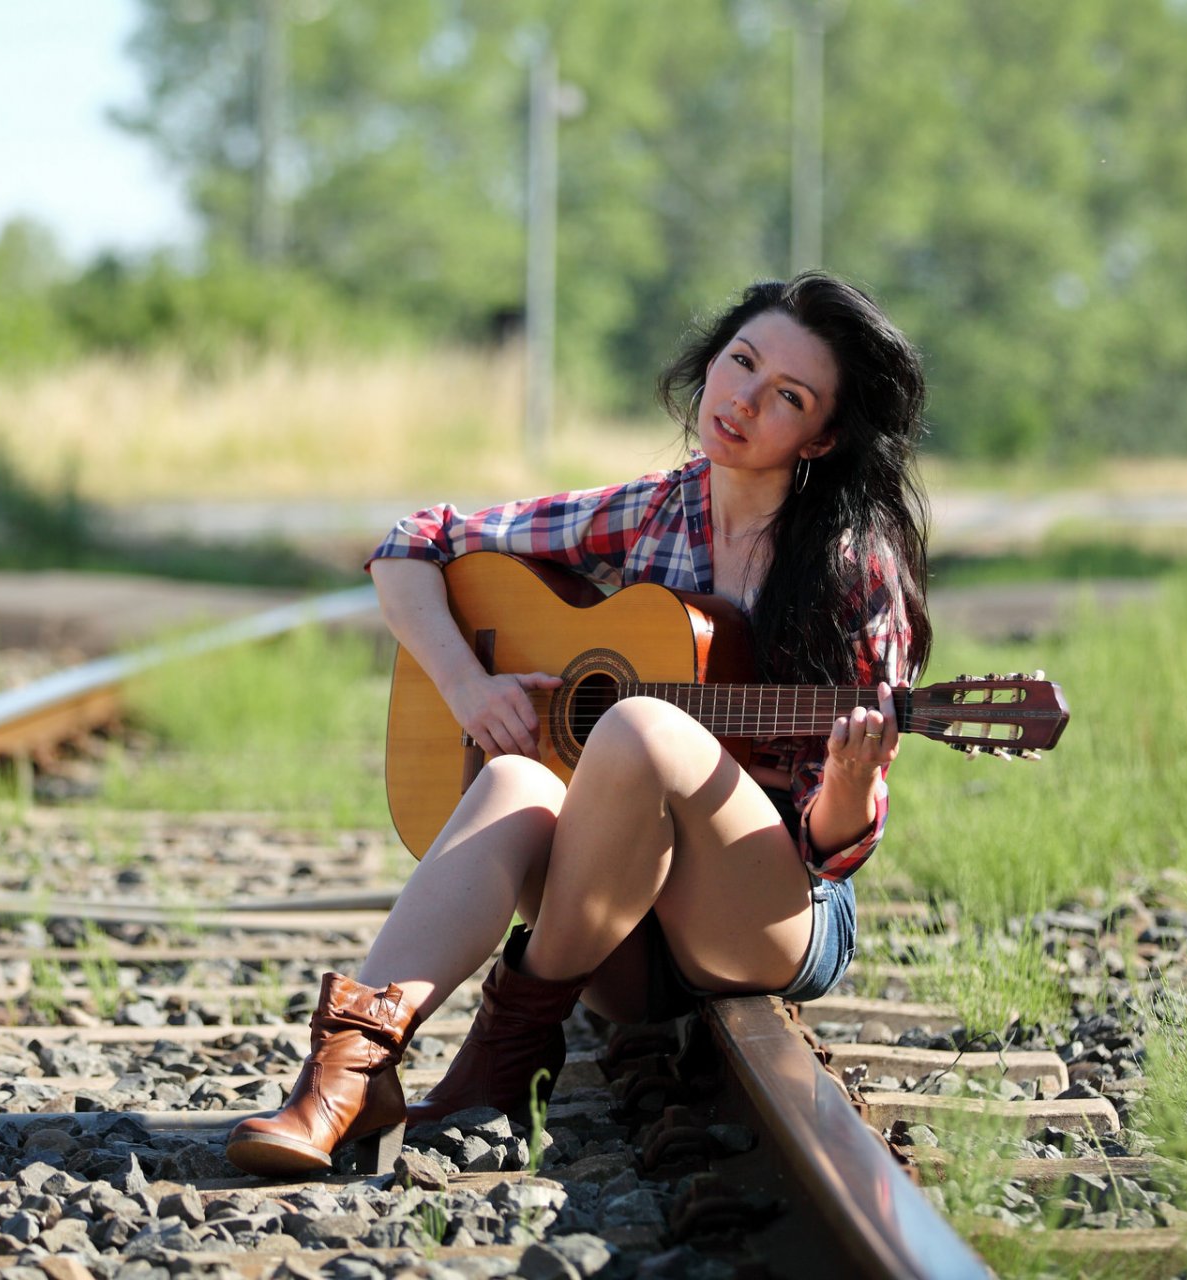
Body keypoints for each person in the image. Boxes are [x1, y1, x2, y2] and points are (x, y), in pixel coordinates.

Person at [225, 271, 933, 1177]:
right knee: (516, 774)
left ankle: (504, 1052)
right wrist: (470, 687)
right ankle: (346, 1074)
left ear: (824, 436)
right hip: (617, 932)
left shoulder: (851, 568)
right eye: (741, 362)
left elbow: (833, 852)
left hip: (764, 918)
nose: (744, 401)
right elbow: (413, 544)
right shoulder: (654, 510)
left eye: (786, 396)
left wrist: (851, 783)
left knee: (637, 727)